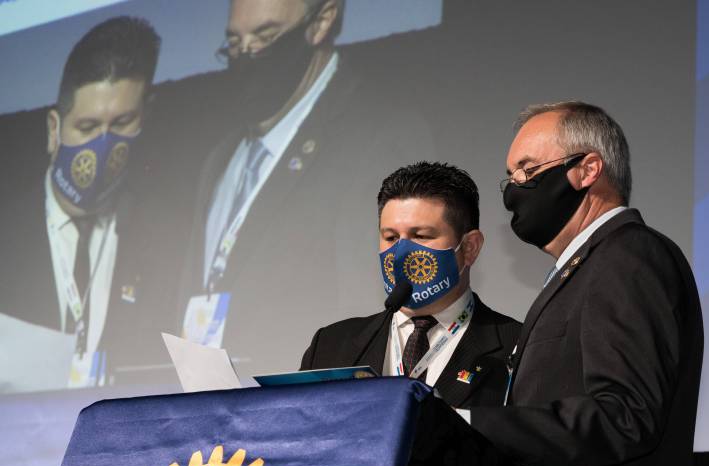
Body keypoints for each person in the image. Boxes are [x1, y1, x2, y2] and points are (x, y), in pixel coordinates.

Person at [469, 102, 708, 466]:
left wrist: (471, 424)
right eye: (509, 177)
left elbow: (625, 414)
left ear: (587, 169)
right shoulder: (584, 268)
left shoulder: (628, 256)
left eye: (528, 171)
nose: (513, 191)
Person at [178, 0, 431, 375]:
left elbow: (375, 304)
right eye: (234, 43)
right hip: (210, 397)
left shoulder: (377, 136)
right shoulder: (222, 157)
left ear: (323, 20)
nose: (247, 55)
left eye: (265, 36)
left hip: (310, 397)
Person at [0, 17, 163, 391]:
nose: (102, 146)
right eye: (87, 128)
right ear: (54, 129)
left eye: (122, 123)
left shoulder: (165, 235)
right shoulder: (5, 237)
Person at [300, 162, 519, 408]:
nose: (401, 253)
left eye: (421, 236)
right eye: (391, 237)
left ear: (470, 247)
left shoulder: (520, 346)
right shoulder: (330, 345)